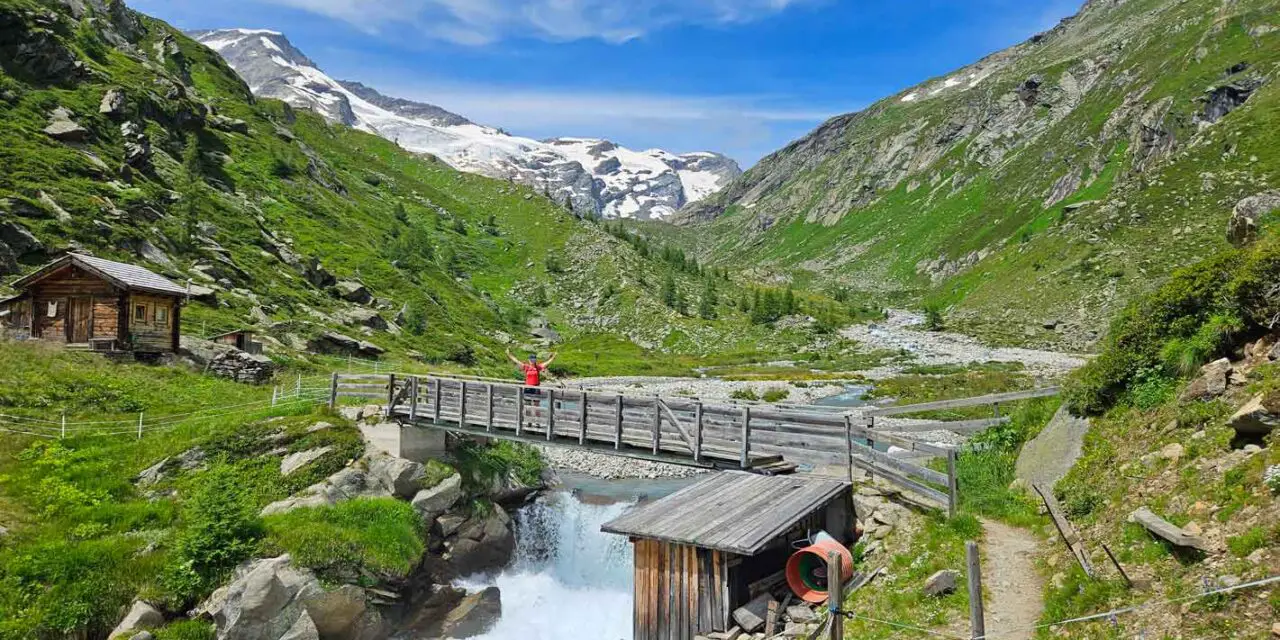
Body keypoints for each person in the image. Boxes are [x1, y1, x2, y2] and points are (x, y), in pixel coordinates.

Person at [507, 350, 557, 420]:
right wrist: (509, 354)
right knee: (527, 405)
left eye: (533, 359)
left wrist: (553, 357)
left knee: (536, 405)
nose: (532, 361)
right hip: (527, 388)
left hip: (536, 388)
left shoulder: (538, 367)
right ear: (529, 360)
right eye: (531, 359)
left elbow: (547, 362)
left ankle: (537, 421)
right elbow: (516, 361)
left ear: (535, 360)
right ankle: (528, 421)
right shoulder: (526, 367)